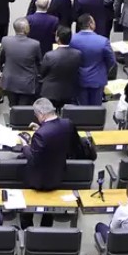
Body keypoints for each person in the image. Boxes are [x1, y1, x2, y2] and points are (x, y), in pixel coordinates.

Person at [19, 98, 83, 228]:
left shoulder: (41, 135)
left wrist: (25, 145)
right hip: (58, 174)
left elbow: (33, 159)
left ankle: (28, 231)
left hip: (38, 179)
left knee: (25, 212)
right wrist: (41, 128)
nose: (37, 118)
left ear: (42, 114)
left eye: (37, 115)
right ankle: (46, 229)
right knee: (49, 210)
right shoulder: (67, 124)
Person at [0, 18, 42, 106]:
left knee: (12, 105)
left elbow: (0, 61)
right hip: (27, 82)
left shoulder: (5, 40)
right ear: (26, 29)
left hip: (9, 81)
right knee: (23, 109)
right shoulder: (35, 44)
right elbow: (39, 63)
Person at [36, 27, 81, 108]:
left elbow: (42, 72)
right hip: (69, 92)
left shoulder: (50, 55)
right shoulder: (78, 54)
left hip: (50, 92)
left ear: (57, 38)